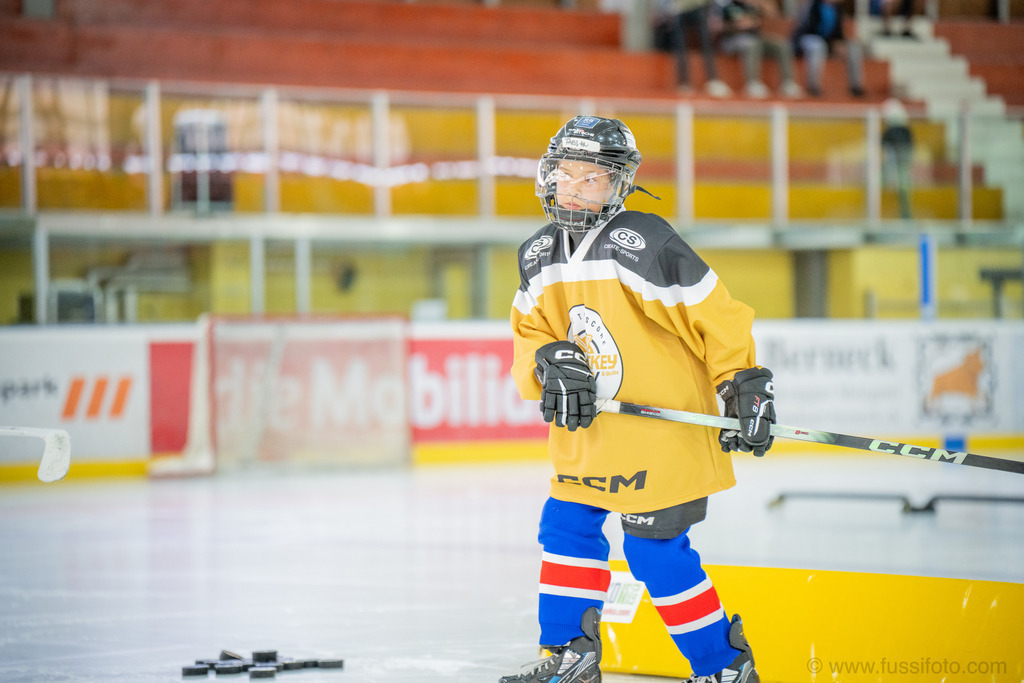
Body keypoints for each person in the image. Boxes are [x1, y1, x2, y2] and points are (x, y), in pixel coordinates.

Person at [501, 114, 776, 683]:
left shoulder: (642, 242)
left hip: (660, 436)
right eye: (564, 173)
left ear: (618, 184)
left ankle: (723, 665)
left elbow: (715, 316)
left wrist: (742, 382)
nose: (573, 187)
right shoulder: (537, 253)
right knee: (565, 529)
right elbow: (528, 334)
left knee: (654, 550)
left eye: (591, 177)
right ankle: (571, 655)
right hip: (590, 434)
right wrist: (547, 359)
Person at [709, 0, 803, 98]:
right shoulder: (724, 5)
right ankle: (753, 83)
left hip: (755, 37)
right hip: (732, 39)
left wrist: (755, 17)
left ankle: (788, 83)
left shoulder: (751, 6)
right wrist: (737, 25)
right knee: (752, 44)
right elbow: (715, 26)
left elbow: (770, 14)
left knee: (782, 45)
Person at [791, 0, 865, 97]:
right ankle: (813, 86)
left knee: (853, 47)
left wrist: (840, 43)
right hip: (807, 38)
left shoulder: (837, 9)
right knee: (818, 45)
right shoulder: (812, 6)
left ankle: (856, 87)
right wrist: (832, 43)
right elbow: (810, 28)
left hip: (828, 42)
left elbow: (838, 32)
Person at [661, 0, 734, 97]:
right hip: (679, 10)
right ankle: (684, 83)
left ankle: (713, 80)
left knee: (706, 44)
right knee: (680, 46)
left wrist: (713, 12)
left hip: (698, 8)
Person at [880, 98, 914, 219]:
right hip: (895, 166)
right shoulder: (903, 130)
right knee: (901, 182)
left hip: (897, 165)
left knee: (902, 183)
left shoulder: (897, 130)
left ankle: (905, 213)